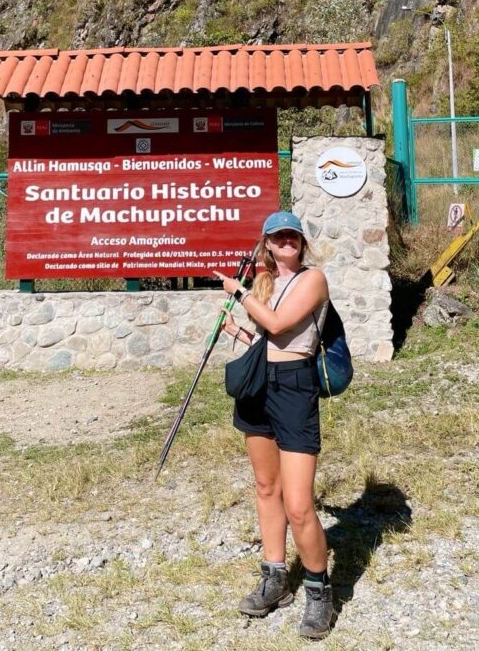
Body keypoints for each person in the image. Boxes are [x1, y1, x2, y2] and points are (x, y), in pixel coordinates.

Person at [213, 210, 336, 640]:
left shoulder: (312, 280)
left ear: (301, 242)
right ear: (266, 243)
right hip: (260, 385)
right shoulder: (267, 283)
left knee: (299, 503)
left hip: (295, 388)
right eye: (278, 237)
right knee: (266, 487)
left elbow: (283, 325)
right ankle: (275, 577)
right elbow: (268, 340)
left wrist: (240, 293)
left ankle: (320, 592)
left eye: (293, 237)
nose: (286, 243)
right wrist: (238, 331)